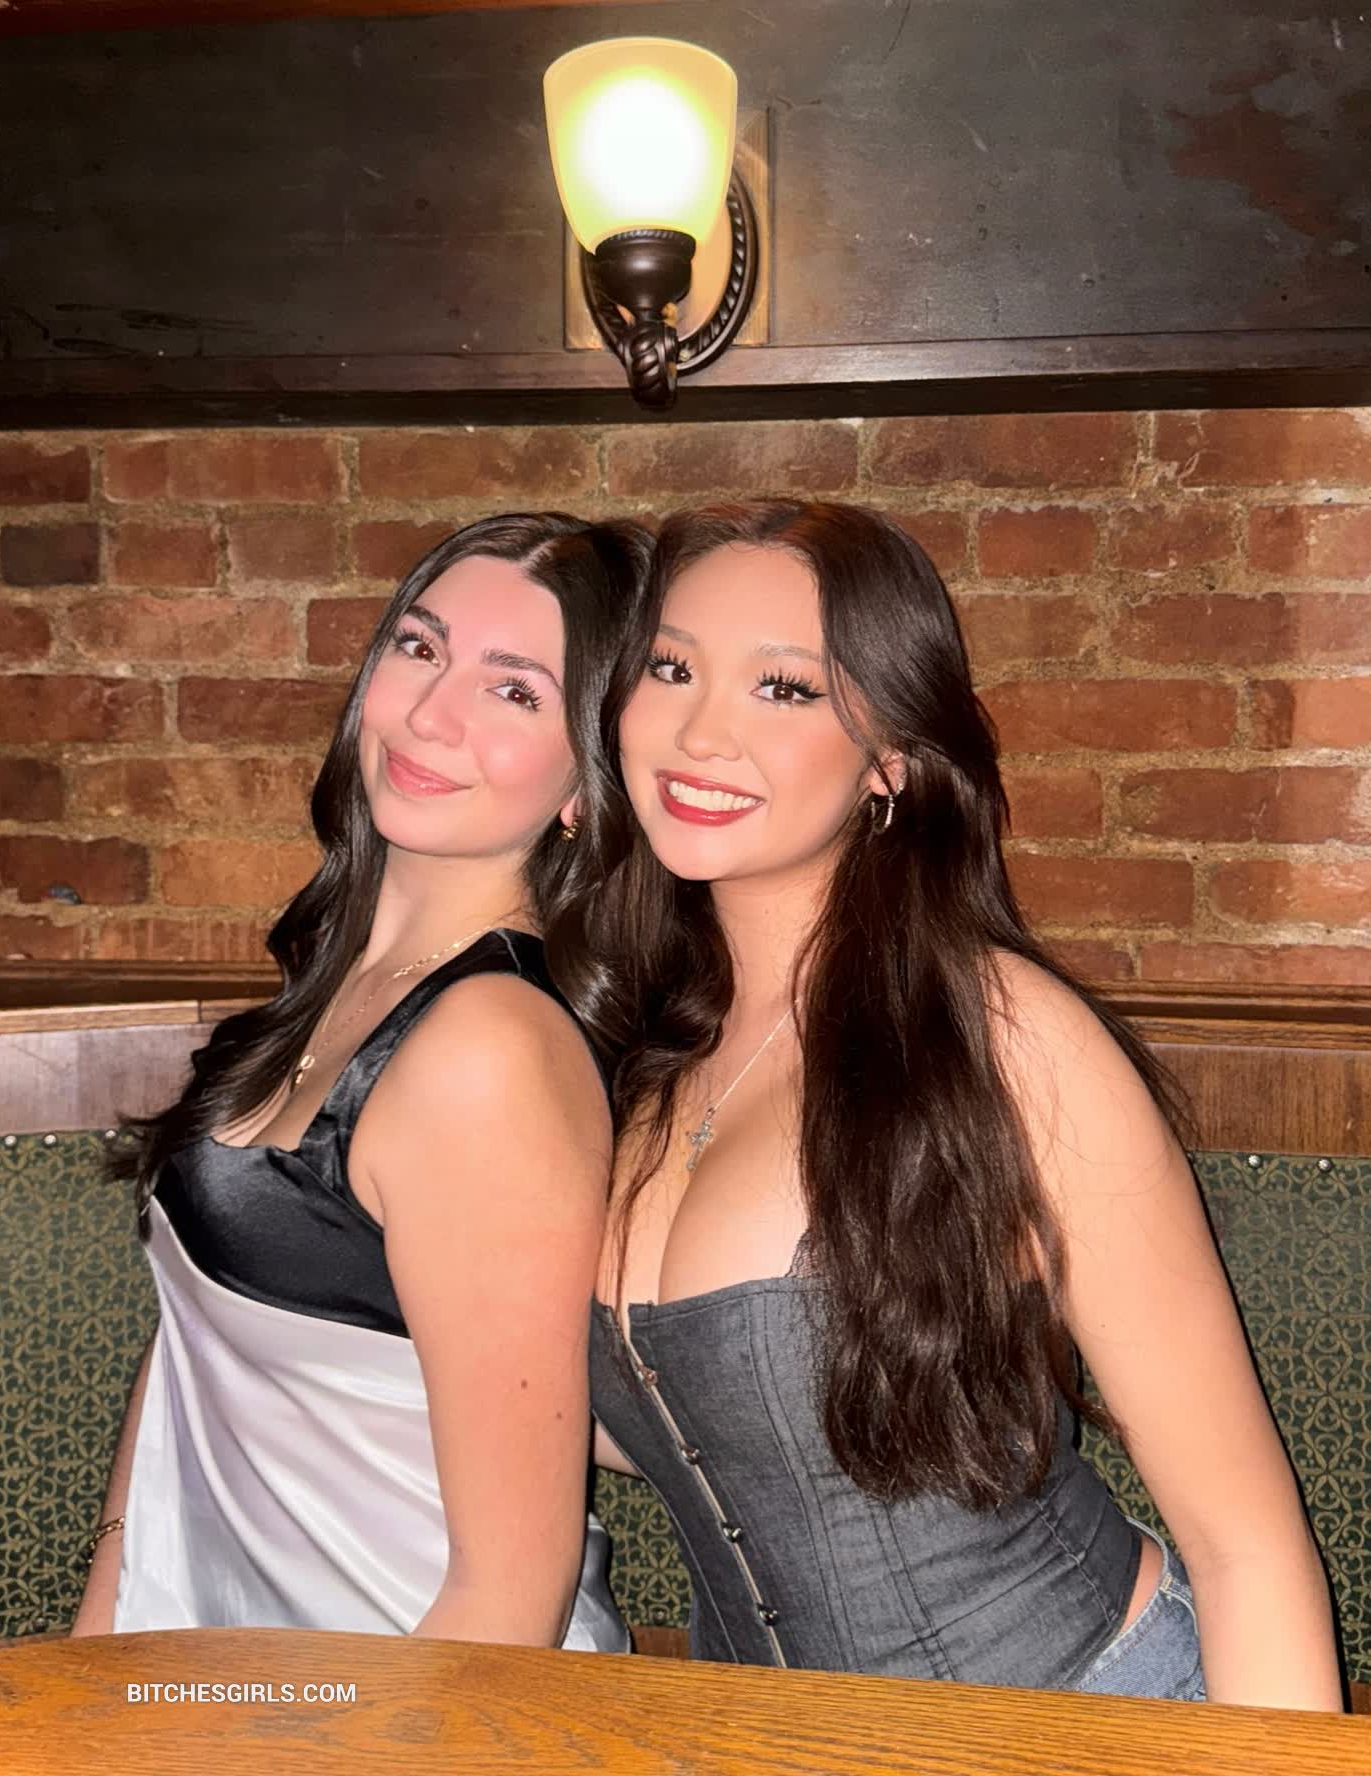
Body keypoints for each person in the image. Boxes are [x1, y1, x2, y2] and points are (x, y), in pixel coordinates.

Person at [577, 498, 1343, 1709]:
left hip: (1088, 1730)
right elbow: (674, 1416)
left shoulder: (1005, 1038)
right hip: (764, 1768)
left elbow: (1245, 1543)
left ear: (889, 756)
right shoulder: (636, 1056)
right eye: (670, 668)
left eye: (783, 688)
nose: (699, 731)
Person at [74, 512, 649, 1650]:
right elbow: (190, 1348)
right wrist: (105, 1639)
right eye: (420, 647)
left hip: (414, 1704)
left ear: (585, 786)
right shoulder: (345, 980)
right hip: (228, 1677)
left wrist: (345, 1762)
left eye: (514, 691)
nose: (432, 713)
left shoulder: (488, 1050)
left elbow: (509, 1601)